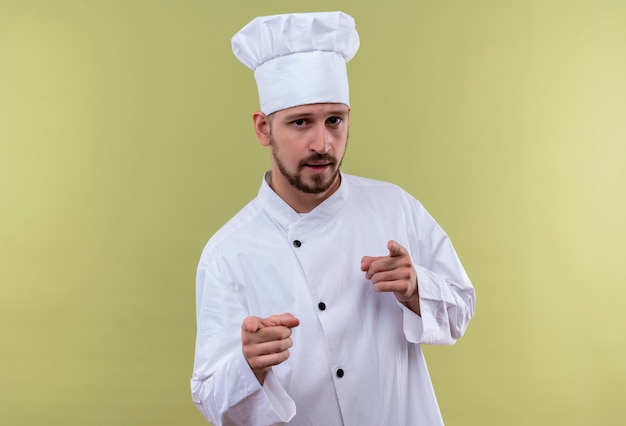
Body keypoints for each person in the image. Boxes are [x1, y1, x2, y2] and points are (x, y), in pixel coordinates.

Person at [190, 11, 476, 426]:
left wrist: (417, 287)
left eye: (334, 121)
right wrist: (248, 366)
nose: (322, 143)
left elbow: (461, 309)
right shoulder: (227, 253)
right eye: (300, 123)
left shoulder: (394, 207)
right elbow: (212, 399)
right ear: (263, 128)